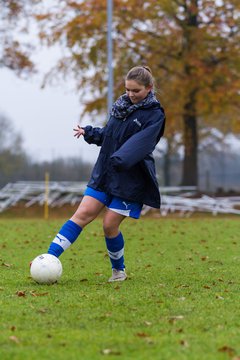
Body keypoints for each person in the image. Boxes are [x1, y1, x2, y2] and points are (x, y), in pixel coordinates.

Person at [46, 66, 165, 282]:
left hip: (130, 179)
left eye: (136, 91)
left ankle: (118, 271)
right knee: (81, 215)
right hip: (105, 172)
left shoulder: (155, 115)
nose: (130, 95)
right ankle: (48, 258)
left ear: (149, 88)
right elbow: (111, 136)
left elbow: (141, 144)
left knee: (109, 225)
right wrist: (90, 133)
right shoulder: (121, 107)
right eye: (127, 89)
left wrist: (121, 158)